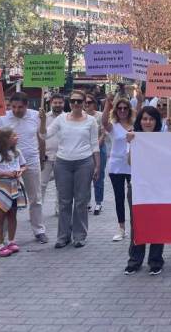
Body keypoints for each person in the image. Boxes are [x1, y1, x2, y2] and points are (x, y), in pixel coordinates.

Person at [40, 90, 100, 249]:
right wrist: (42, 121)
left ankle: (79, 235)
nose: (76, 104)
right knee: (64, 201)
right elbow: (44, 135)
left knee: (81, 201)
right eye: (73, 101)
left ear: (84, 103)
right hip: (63, 163)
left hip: (84, 162)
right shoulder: (61, 119)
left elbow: (95, 145)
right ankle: (63, 236)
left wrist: (97, 166)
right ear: (70, 103)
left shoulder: (91, 121)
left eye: (79, 101)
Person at [0, 92, 48, 244]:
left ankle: (39, 230)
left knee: (35, 198)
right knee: (4, 199)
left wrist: (43, 122)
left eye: (20, 107)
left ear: (27, 105)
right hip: (7, 162)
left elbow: (43, 137)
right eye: (13, 107)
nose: (16, 110)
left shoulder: (36, 115)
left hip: (30, 160)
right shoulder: (1, 117)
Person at [124, 106, 165, 275]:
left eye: (151, 119)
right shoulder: (134, 137)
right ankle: (135, 260)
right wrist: (131, 143)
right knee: (137, 223)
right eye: (144, 119)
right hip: (138, 186)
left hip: (158, 187)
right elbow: (130, 162)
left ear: (157, 122)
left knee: (158, 223)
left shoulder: (163, 139)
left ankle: (155, 260)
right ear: (140, 121)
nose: (148, 122)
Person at [0, 128, 26, 257]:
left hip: (14, 187)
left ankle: (11, 241)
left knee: (13, 215)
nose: (17, 137)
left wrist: (20, 171)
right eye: (14, 136)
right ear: (5, 139)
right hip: (1, 189)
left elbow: (24, 165)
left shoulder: (17, 153)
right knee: (0, 217)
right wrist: (4, 173)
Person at [101, 93, 134, 242]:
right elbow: (104, 122)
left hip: (132, 164)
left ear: (129, 110)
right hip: (116, 166)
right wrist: (107, 105)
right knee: (119, 197)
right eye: (119, 108)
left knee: (133, 196)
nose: (122, 110)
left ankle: (136, 226)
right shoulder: (113, 126)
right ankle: (121, 229)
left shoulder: (135, 124)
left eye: (125, 108)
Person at [85, 93, 108, 215]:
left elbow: (103, 133)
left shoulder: (99, 116)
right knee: (85, 177)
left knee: (98, 176)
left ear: (94, 104)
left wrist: (96, 146)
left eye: (89, 102)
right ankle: (87, 201)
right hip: (84, 149)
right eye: (85, 102)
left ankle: (98, 202)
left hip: (99, 148)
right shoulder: (81, 116)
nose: (87, 104)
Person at [41, 93, 64, 216]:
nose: (57, 105)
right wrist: (41, 153)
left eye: (60, 103)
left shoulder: (67, 118)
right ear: (51, 103)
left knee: (61, 186)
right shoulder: (43, 117)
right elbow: (40, 135)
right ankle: (38, 210)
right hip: (46, 156)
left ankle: (59, 209)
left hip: (62, 157)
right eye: (55, 103)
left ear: (63, 104)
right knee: (41, 184)